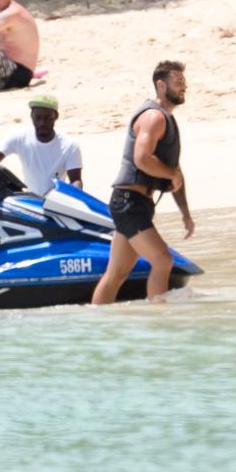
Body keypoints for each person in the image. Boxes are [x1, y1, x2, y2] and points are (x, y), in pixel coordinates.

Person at [91, 61, 195, 305]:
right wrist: (171, 174)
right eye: (178, 82)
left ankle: (95, 321)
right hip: (129, 203)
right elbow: (142, 159)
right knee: (162, 260)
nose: (184, 88)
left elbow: (175, 172)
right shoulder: (153, 117)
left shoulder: (166, 119)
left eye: (185, 83)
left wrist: (186, 214)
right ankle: (159, 321)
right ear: (161, 85)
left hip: (135, 204)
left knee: (117, 273)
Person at [0, 94, 82, 196]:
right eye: (38, 117)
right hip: (29, 201)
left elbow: (75, 180)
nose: (42, 122)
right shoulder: (19, 137)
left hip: (57, 202)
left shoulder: (70, 145)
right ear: (31, 116)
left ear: (56, 116)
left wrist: (76, 195)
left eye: (47, 118)